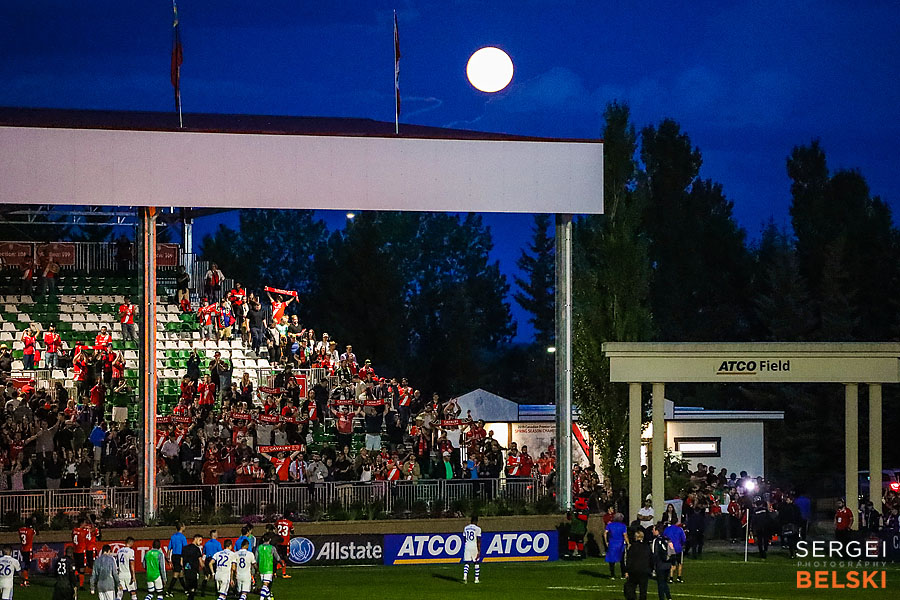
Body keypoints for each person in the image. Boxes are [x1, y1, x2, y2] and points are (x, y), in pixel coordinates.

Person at [623, 527, 652, 600]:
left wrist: (626, 571)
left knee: (631, 588)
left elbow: (629, 559)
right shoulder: (647, 547)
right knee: (643, 590)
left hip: (634, 570)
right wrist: (651, 569)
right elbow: (650, 558)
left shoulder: (632, 547)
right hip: (644, 570)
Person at [651, 524, 674, 600]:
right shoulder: (667, 539)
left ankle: (662, 598)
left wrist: (653, 566)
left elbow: (655, 553)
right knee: (664, 582)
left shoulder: (656, 540)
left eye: (653, 529)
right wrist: (672, 562)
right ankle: (669, 597)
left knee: (660, 583)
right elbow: (672, 550)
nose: (652, 531)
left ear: (657, 531)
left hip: (660, 564)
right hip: (668, 563)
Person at [604, 512, 628, 580]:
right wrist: (628, 543)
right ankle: (623, 574)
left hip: (612, 544)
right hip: (620, 544)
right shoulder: (623, 526)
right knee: (622, 560)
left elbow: (605, 533)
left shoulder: (610, 525)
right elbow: (625, 535)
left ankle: (612, 575)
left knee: (612, 560)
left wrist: (606, 541)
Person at [201, 530, 223, 597]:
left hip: (208, 559)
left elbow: (204, 552)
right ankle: (217, 592)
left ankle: (203, 591)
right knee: (216, 576)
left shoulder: (207, 543)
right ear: (214, 535)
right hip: (214, 560)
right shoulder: (218, 544)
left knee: (207, 576)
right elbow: (220, 553)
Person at [168, 522, 188, 594]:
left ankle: (186, 590)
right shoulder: (182, 537)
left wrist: (168, 557)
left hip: (174, 556)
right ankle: (169, 590)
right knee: (176, 574)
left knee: (180, 574)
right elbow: (185, 548)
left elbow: (169, 548)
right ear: (182, 527)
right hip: (180, 556)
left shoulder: (173, 537)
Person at [182, 534, 203, 600]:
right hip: (194, 570)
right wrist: (205, 568)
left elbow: (181, 560)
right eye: (200, 540)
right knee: (193, 588)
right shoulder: (197, 549)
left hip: (186, 569)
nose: (201, 542)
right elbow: (200, 561)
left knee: (189, 586)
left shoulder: (185, 548)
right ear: (195, 539)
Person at [462, 516, 481, 584]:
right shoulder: (478, 529)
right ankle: (476, 579)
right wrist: (479, 550)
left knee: (467, 562)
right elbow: (478, 540)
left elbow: (464, 538)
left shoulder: (466, 528)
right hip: (474, 545)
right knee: (476, 562)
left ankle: (465, 576)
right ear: (476, 522)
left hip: (467, 545)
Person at [17, 520, 34, 587]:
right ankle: (25, 580)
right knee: (27, 566)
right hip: (28, 549)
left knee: (24, 564)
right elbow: (36, 532)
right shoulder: (30, 531)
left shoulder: (20, 529)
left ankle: (24, 580)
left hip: (23, 548)